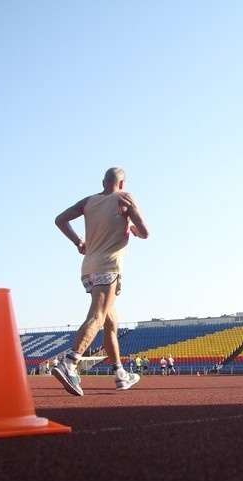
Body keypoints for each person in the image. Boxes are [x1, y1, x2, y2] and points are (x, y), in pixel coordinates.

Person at [52, 167, 150, 396]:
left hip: (88, 268)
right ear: (122, 183)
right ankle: (69, 362)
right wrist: (133, 220)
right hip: (109, 267)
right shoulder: (124, 199)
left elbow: (60, 219)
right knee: (97, 316)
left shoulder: (89, 201)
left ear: (103, 182)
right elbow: (145, 232)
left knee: (110, 323)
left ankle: (120, 374)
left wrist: (78, 241)